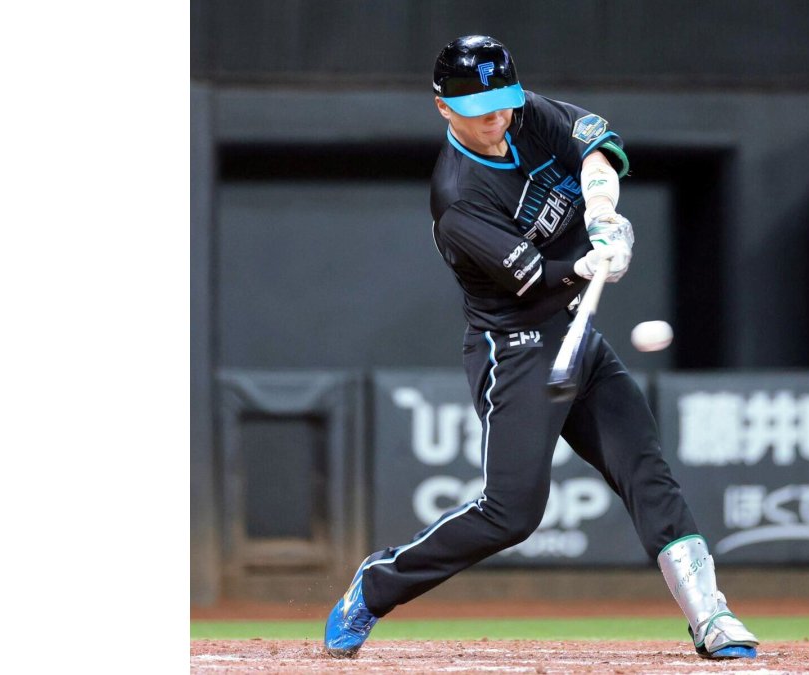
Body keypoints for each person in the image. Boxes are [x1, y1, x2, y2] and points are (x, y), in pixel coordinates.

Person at [325, 35, 759, 661]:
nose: (497, 119)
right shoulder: (459, 198)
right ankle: (375, 585)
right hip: (515, 347)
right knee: (511, 514)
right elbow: (532, 279)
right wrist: (589, 264)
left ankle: (709, 614)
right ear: (444, 108)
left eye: (502, 103)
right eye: (479, 110)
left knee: (644, 468)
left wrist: (603, 213)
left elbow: (596, 150)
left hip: (576, 334)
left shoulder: (525, 112)